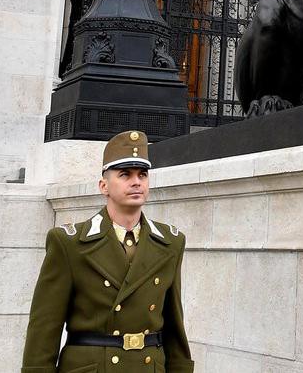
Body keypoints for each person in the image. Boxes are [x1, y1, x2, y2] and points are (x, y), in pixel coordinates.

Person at [22, 131, 194, 373]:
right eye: (125, 175)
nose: (136, 182)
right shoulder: (69, 243)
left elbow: (175, 326)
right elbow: (44, 327)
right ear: (104, 186)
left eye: (142, 175)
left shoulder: (170, 242)